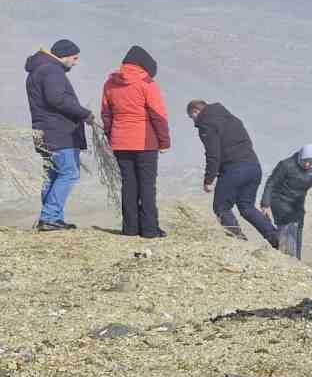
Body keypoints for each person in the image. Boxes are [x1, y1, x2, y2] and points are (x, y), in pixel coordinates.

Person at [101, 46, 170, 238]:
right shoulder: (146, 83)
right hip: (144, 142)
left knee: (129, 184)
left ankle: (130, 228)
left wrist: (111, 136)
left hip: (120, 142)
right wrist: (164, 142)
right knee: (147, 186)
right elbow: (158, 115)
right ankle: (149, 229)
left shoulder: (110, 83)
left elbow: (106, 114)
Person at [24, 39, 94, 231]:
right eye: (74, 57)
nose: (76, 62)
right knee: (69, 173)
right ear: (63, 55)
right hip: (58, 133)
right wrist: (84, 113)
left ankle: (53, 218)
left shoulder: (37, 70)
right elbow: (58, 99)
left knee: (52, 175)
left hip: (41, 131)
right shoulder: (51, 71)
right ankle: (49, 217)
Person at [187, 100, 278, 244]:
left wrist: (208, 180)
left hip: (234, 169)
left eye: (191, 118)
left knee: (221, 207)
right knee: (247, 207)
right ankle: (276, 238)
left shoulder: (205, 123)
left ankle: (238, 243)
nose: (193, 122)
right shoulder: (232, 118)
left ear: (195, 112)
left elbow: (213, 153)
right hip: (254, 166)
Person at [260, 144, 312, 259]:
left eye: (310, 162)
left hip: (297, 204)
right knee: (287, 228)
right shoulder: (286, 165)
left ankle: (296, 260)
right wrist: (265, 203)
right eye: (304, 161)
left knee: (298, 230)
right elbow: (271, 182)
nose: (306, 164)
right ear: (299, 156)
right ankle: (284, 257)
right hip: (280, 201)